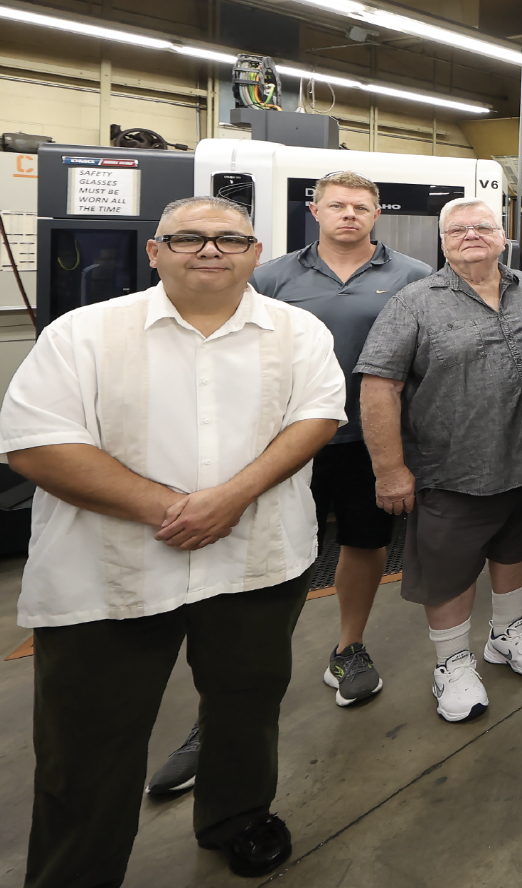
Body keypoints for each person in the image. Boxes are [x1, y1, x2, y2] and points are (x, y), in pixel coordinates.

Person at [3, 196, 345, 881]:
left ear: (255, 253)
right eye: (188, 238)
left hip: (255, 565)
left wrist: (230, 499)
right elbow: (37, 447)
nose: (210, 250)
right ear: (155, 252)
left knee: (247, 706)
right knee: (89, 743)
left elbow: (316, 417)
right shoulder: (83, 335)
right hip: (110, 576)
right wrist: (172, 508)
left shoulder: (297, 332)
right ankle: (77, 869)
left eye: (229, 239)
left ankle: (237, 817)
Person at [356, 197, 522, 724]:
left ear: (503, 235)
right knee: (448, 570)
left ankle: (507, 634)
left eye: (482, 226)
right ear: (442, 242)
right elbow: (380, 386)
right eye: (458, 229)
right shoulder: (415, 302)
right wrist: (390, 469)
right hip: (452, 468)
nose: (471, 235)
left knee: (516, 548)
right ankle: (452, 662)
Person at [254, 170, 433, 707]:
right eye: (337, 206)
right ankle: (258, 661)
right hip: (288, 441)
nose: (348, 214)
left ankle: (349, 647)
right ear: (316, 211)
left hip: (371, 442)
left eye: (360, 207)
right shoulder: (271, 277)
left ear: (377, 214)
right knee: (280, 547)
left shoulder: (412, 275)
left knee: (365, 540)